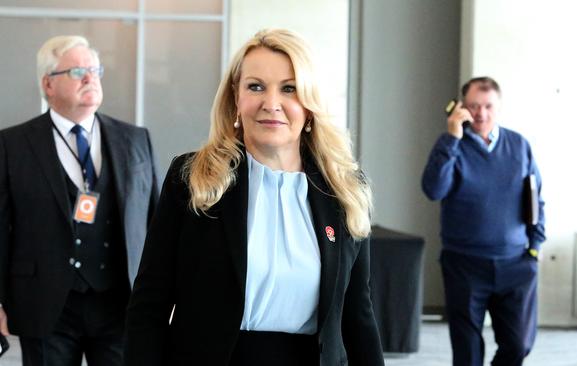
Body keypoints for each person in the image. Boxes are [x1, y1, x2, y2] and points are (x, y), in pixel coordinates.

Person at [123, 28, 384, 366]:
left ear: (309, 104)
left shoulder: (345, 188)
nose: (270, 104)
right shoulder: (193, 179)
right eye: (256, 86)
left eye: (289, 89)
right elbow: (149, 305)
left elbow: (357, 315)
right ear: (236, 97)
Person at [0, 35, 159, 366]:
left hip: (120, 304)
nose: (90, 78)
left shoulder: (135, 139)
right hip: (45, 305)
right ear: (48, 84)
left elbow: (156, 224)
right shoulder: (11, 145)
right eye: (76, 72)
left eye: (95, 69)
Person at [421, 77, 545, 366]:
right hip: (464, 264)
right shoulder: (450, 144)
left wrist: (535, 247)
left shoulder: (519, 145)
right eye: (474, 106)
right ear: (462, 107)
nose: (481, 113)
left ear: (498, 107)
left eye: (488, 106)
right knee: (467, 353)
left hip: (515, 263)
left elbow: (535, 197)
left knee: (518, 346)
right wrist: (452, 137)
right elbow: (433, 189)